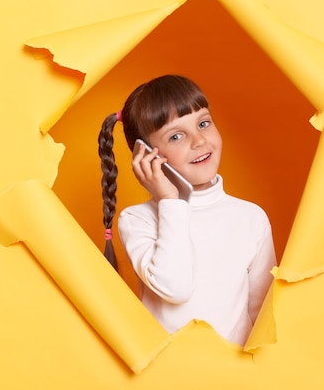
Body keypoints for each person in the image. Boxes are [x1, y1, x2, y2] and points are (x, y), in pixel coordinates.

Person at [97, 75, 277, 346]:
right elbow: (175, 287)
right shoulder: (137, 220)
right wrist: (170, 200)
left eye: (203, 123)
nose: (199, 140)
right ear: (145, 155)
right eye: (176, 136)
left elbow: (262, 314)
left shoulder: (252, 218)